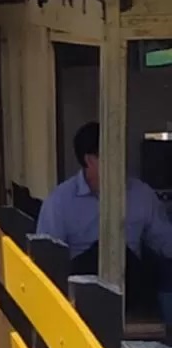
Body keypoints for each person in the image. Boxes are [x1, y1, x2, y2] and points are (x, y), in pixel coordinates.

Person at [36, 122, 172, 327]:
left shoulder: (142, 194)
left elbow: (165, 240)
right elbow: (47, 259)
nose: (121, 161)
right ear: (89, 160)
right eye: (111, 154)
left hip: (131, 287)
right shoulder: (60, 201)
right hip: (81, 291)